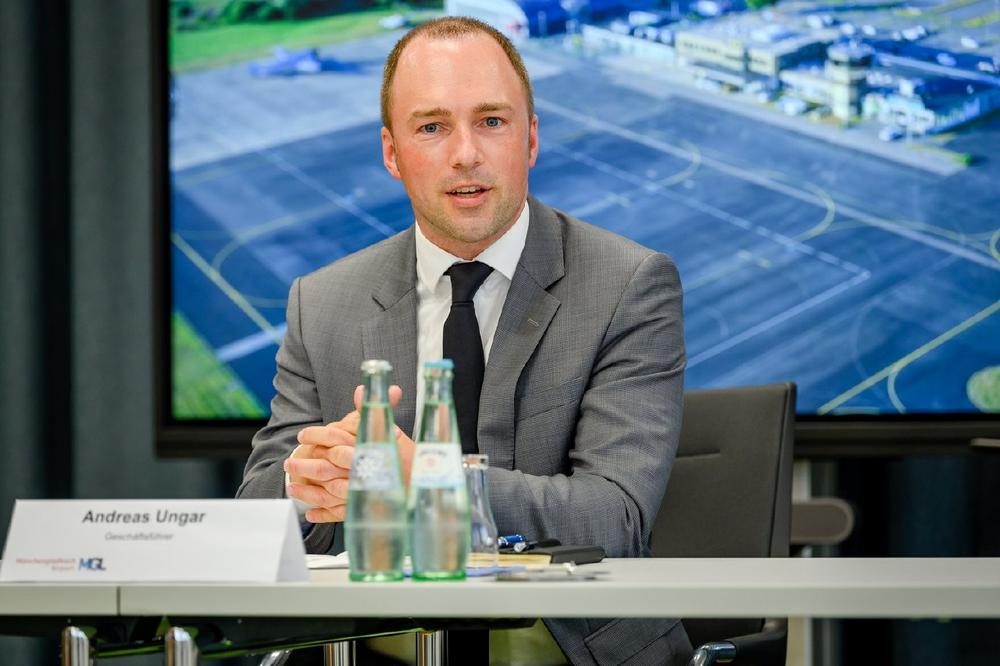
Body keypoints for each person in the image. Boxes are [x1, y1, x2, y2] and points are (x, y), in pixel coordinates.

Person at [238, 16, 689, 665]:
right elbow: (257, 518)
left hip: (561, 650)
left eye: (492, 121)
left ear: (530, 139)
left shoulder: (629, 284)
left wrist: (425, 480)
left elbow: (615, 518)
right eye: (432, 127)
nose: (465, 154)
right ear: (392, 153)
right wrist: (306, 486)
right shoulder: (322, 301)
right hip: (373, 649)